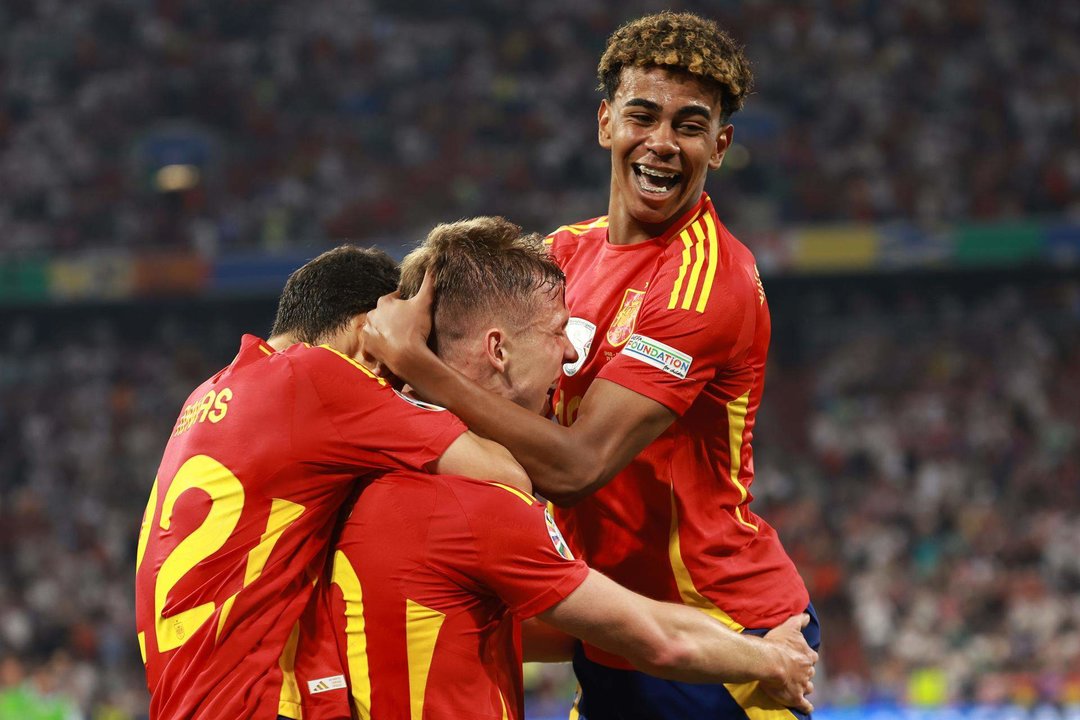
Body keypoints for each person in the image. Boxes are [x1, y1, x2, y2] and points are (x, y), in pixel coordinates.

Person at [360, 12, 818, 719]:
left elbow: (577, 467)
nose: (662, 143)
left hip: (720, 641)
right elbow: (468, 354)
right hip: (620, 636)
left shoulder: (706, 280)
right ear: (606, 123)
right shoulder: (567, 253)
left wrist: (417, 367)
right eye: (643, 115)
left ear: (720, 146)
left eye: (690, 126)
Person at [292, 217, 816, 720]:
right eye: (559, 331)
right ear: (497, 348)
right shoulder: (485, 501)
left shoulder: (365, 464)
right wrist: (773, 659)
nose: (571, 355)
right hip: (719, 654)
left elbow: (516, 621)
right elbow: (653, 637)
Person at [134, 245, 529, 719]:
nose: (393, 380)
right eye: (398, 354)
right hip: (256, 703)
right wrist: (421, 364)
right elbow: (507, 476)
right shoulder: (318, 377)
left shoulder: (209, 393)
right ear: (370, 330)